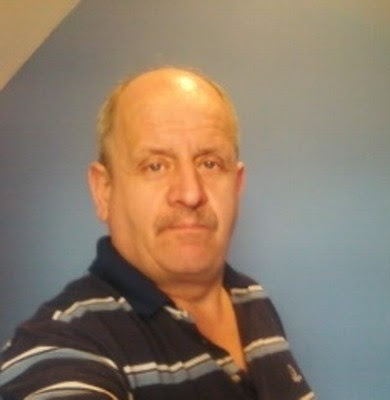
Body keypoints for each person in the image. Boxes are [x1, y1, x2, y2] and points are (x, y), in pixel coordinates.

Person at [0, 67, 315, 399]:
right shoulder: (61, 347)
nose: (190, 193)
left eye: (209, 163)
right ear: (104, 191)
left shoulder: (251, 296)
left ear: (236, 186)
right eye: (156, 166)